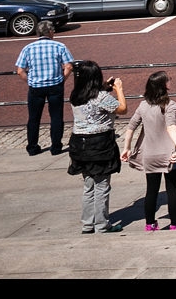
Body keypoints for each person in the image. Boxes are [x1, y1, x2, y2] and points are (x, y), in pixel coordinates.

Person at [67, 60, 127, 234]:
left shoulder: (75, 95)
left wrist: (104, 87)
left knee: (89, 185)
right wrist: (119, 90)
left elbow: (91, 96)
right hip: (100, 144)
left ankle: (87, 223)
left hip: (79, 143)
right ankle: (102, 224)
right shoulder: (101, 97)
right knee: (102, 185)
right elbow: (122, 109)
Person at [121, 71, 176, 231]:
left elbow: (130, 127)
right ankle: (175, 223)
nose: (171, 80)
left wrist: (127, 148)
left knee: (151, 190)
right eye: (168, 79)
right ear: (163, 85)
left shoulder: (143, 106)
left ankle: (150, 223)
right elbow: (171, 126)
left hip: (149, 155)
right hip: (168, 153)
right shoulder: (170, 105)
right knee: (172, 189)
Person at [15, 24, 74, 156]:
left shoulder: (28, 48)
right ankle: (56, 147)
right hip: (55, 86)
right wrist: (61, 80)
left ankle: (32, 146)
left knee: (34, 118)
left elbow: (20, 71)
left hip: (35, 87)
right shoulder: (59, 46)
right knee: (56, 117)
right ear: (50, 32)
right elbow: (69, 66)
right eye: (53, 30)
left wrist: (30, 81)